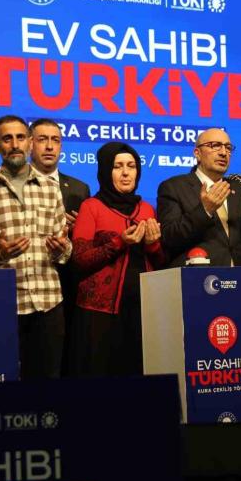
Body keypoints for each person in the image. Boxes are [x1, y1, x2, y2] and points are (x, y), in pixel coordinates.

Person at [0, 115, 71, 379]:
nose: (15, 144)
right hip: (4, 304)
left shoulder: (51, 188)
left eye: (20, 137)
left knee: (48, 385)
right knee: (6, 385)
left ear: (30, 143)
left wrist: (61, 249)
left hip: (48, 302)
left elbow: (66, 248)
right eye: (7, 139)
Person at [71, 142, 165, 376]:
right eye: (117, 166)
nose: (125, 173)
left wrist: (153, 245)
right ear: (105, 171)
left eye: (131, 166)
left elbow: (161, 263)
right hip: (100, 315)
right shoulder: (91, 207)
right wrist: (119, 242)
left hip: (142, 310)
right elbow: (80, 259)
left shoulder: (147, 209)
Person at [27, 118, 91, 376]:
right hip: (28, 283)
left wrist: (77, 229)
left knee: (66, 358)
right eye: (42, 139)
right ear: (30, 144)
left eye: (55, 140)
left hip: (67, 283)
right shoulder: (16, 185)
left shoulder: (78, 188)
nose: (49, 146)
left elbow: (87, 242)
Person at [157, 128, 241, 267]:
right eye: (215, 145)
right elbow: (169, 239)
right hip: (198, 276)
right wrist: (205, 210)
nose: (223, 153)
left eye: (228, 147)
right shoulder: (174, 187)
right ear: (197, 153)